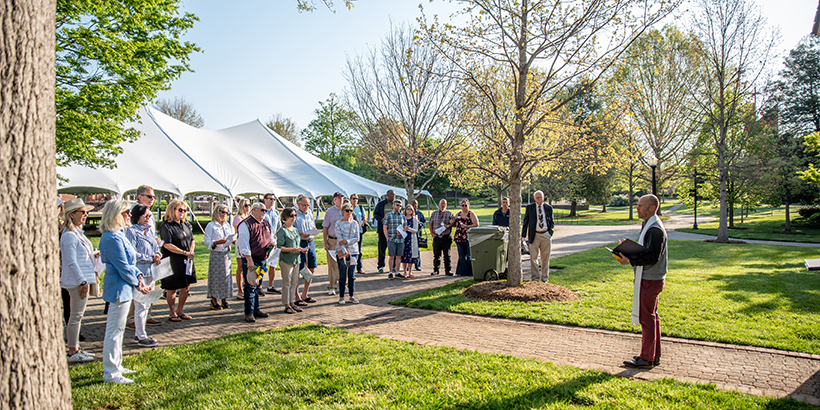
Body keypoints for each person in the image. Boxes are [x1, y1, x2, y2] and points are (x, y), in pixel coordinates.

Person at [98, 200, 151, 384]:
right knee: (113, 330)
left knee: (119, 329)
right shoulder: (111, 238)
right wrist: (139, 283)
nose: (129, 215)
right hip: (118, 288)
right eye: (125, 212)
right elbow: (123, 266)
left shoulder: (119, 235)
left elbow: (131, 262)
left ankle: (117, 365)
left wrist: (139, 275)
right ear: (115, 215)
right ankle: (111, 372)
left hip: (126, 286)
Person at [618, 194, 667, 369]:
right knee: (652, 317)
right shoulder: (649, 225)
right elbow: (646, 251)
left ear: (651, 208)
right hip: (651, 278)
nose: (637, 208)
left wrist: (629, 260)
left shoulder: (654, 229)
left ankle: (646, 357)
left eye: (640, 205)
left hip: (650, 279)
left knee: (647, 319)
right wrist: (628, 249)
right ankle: (654, 355)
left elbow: (652, 257)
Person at [60, 198, 97, 362]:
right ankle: (72, 351)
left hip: (83, 278)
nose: (85, 215)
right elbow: (70, 261)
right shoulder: (68, 236)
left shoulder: (76, 234)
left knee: (77, 316)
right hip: (77, 281)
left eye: (86, 212)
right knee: (75, 316)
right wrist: (82, 281)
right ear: (71, 214)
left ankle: (74, 348)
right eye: (82, 212)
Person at [126, 185, 163, 329]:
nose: (152, 199)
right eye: (149, 196)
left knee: (150, 292)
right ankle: (132, 320)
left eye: (153, 197)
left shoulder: (150, 215)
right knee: (139, 294)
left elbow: (152, 235)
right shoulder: (133, 215)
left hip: (151, 259)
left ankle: (147, 316)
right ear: (140, 197)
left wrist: (157, 252)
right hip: (140, 262)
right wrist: (149, 257)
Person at [237, 202, 275, 323]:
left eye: (265, 211)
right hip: (251, 259)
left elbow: (271, 236)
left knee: (258, 285)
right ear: (254, 210)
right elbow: (244, 244)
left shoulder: (265, 223)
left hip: (262, 258)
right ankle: (249, 312)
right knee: (250, 285)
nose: (264, 213)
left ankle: (256, 309)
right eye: (262, 210)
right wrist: (249, 260)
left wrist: (271, 243)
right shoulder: (246, 224)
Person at [159, 200, 196, 322]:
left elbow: (192, 239)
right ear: (172, 210)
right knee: (172, 287)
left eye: (184, 210)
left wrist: (190, 251)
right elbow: (167, 244)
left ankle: (180, 310)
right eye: (180, 210)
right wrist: (184, 253)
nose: (182, 213)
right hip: (173, 260)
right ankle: (172, 312)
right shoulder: (166, 226)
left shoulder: (185, 224)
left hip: (187, 259)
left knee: (186, 285)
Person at [277, 207, 309, 314]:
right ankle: (286, 304)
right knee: (287, 282)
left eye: (295, 215)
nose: (294, 218)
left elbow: (297, 244)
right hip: (286, 259)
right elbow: (280, 247)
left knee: (294, 282)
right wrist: (293, 249)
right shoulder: (282, 230)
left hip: (296, 259)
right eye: (291, 216)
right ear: (285, 217)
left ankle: (292, 302)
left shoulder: (295, 230)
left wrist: (301, 250)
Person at [204, 204, 234, 311]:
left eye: (226, 213)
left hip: (226, 253)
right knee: (216, 277)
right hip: (216, 253)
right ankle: (214, 300)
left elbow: (231, 236)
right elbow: (206, 241)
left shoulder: (227, 225)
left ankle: (224, 299)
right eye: (223, 212)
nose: (224, 215)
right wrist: (216, 242)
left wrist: (232, 240)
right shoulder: (211, 225)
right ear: (217, 212)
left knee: (226, 277)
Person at [522, 190, 554, 282]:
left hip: (545, 234)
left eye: (541, 197)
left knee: (545, 258)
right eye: (537, 197)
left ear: (543, 197)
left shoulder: (548, 207)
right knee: (533, 258)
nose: (539, 199)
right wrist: (523, 235)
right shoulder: (530, 207)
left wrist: (550, 232)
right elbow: (526, 222)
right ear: (534, 198)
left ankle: (545, 279)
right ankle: (535, 279)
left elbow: (551, 221)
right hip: (534, 235)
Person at [294, 194, 318, 305]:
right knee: (300, 269)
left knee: (312, 268)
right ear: (298, 204)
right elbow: (290, 229)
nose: (306, 207)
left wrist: (314, 229)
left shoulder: (310, 214)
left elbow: (312, 225)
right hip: (300, 243)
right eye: (304, 205)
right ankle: (296, 295)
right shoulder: (294, 214)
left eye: (308, 205)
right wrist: (299, 234)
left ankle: (305, 294)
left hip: (310, 242)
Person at [335, 203, 361, 304]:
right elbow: (339, 238)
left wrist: (347, 242)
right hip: (342, 251)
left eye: (351, 210)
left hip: (354, 251)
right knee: (342, 274)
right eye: (347, 210)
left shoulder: (354, 223)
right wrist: (344, 248)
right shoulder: (338, 223)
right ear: (342, 212)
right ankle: (341, 297)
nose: (349, 212)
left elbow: (357, 238)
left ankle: (351, 295)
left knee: (351, 274)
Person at [322, 192, 344, 295]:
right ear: (334, 200)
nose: (341, 200)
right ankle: (332, 286)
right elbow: (325, 227)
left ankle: (344, 284)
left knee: (344, 263)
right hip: (332, 239)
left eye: (342, 198)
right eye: (339, 198)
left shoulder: (346, 210)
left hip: (343, 240)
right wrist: (325, 242)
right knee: (332, 264)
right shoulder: (329, 212)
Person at [429, 199, 455, 276]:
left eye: (444, 204)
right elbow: (430, 224)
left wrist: (448, 225)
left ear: (446, 205)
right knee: (436, 255)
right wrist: (432, 234)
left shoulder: (449, 213)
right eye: (442, 204)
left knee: (447, 255)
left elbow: (453, 223)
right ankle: (436, 270)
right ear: (439, 204)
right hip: (437, 237)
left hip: (446, 237)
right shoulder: (434, 214)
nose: (443, 205)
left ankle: (448, 270)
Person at [262, 193, 282, 295]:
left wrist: (276, 235)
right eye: (270, 199)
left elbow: (279, 225)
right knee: (262, 264)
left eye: (274, 199)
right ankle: (259, 286)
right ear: (265, 199)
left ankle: (270, 286)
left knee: (273, 265)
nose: (272, 201)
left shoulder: (276, 213)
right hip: (264, 242)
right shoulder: (262, 212)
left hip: (274, 242)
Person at [454, 199, 479, 276]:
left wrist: (467, 226)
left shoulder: (471, 214)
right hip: (459, 237)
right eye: (462, 205)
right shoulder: (458, 214)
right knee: (461, 255)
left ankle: (470, 272)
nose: (464, 207)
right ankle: (462, 272)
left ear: (469, 206)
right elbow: (454, 223)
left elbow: (476, 224)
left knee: (469, 255)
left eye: (466, 205)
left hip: (468, 237)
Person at [233, 198, 251, 300]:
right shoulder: (238, 218)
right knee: (240, 267)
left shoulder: (249, 217)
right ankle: (240, 290)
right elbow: (237, 233)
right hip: (241, 244)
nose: (248, 207)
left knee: (248, 267)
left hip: (249, 244)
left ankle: (248, 287)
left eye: (249, 205)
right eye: (246, 205)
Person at [382, 199, 405, 279]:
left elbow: (405, 227)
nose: (399, 207)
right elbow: (385, 227)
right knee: (391, 256)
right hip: (391, 239)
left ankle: (397, 272)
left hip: (400, 239)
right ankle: (390, 272)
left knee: (399, 256)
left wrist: (403, 230)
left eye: (400, 206)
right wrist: (387, 237)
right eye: (397, 205)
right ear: (393, 205)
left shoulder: (402, 216)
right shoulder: (388, 215)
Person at [373, 189, 395, 273]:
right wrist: (381, 219)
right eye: (391, 195)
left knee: (393, 248)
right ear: (387, 195)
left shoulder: (395, 204)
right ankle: (381, 265)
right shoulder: (381, 204)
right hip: (383, 230)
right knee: (382, 248)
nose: (393, 197)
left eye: (394, 195)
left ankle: (394, 266)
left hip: (393, 230)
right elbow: (375, 214)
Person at [401, 204, 420, 278]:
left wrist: (408, 229)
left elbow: (415, 230)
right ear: (405, 210)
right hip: (404, 239)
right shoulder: (403, 218)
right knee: (404, 255)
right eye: (408, 209)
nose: (409, 210)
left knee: (411, 256)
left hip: (411, 239)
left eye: (411, 209)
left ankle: (410, 271)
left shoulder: (414, 219)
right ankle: (404, 271)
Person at [350, 194, 366, 275]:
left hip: (359, 231)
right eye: (353, 198)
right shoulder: (349, 208)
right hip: (350, 232)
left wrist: (363, 222)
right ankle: (350, 267)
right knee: (351, 250)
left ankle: (359, 267)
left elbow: (364, 217)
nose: (355, 200)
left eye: (356, 198)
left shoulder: (360, 208)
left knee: (359, 249)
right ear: (350, 199)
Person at [411, 199, 426, 271]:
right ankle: (409, 265)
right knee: (409, 249)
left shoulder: (419, 213)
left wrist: (421, 223)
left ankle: (417, 265)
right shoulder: (408, 212)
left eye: (416, 204)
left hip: (417, 234)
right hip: (409, 234)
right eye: (413, 204)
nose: (415, 205)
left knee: (417, 250)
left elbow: (424, 222)